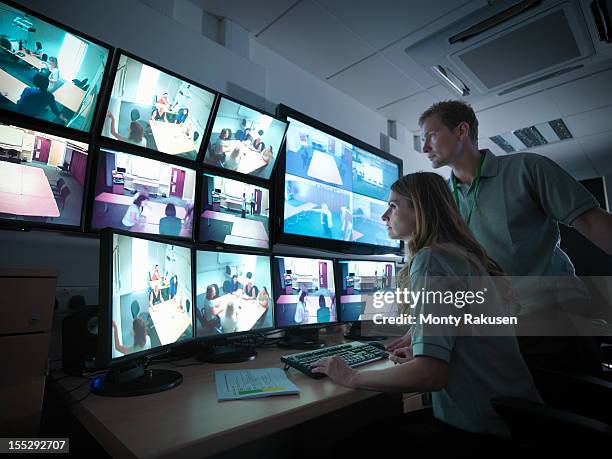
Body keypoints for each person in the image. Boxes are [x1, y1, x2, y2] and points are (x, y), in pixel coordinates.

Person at [312, 171, 541, 441]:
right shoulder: (461, 256)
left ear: (419, 210)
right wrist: (425, 348)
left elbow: (429, 376)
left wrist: (350, 377)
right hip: (515, 419)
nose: (384, 215)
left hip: (481, 427)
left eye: (393, 206)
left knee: (350, 441)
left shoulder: (431, 261)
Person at [406, 100, 612, 376]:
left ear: (461, 130)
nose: (424, 147)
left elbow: (590, 221)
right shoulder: (443, 200)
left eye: (430, 135)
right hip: (496, 328)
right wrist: (420, 328)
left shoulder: (527, 168)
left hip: (553, 316)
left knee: (570, 408)